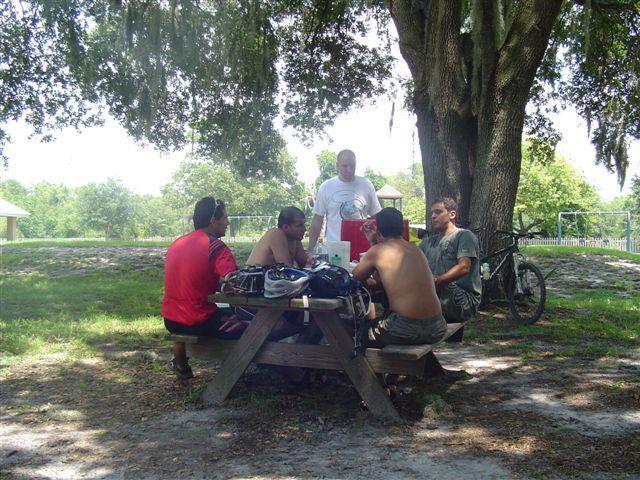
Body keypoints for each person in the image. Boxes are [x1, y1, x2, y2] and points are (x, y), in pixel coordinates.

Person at [162, 196, 243, 380]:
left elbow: (191, 279)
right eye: (225, 218)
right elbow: (236, 282)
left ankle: (181, 365)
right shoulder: (216, 247)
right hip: (198, 321)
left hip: (171, 319)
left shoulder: (177, 244)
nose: (228, 223)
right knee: (250, 325)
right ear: (213, 221)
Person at [352, 207, 447, 348]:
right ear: (402, 228)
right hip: (437, 327)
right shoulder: (416, 250)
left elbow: (355, 279)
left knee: (355, 332)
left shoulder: (377, 251)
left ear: (378, 231)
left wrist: (373, 243)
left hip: (404, 328)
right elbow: (382, 279)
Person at [419, 197, 481, 325]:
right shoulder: (427, 242)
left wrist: (437, 281)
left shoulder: (464, 235)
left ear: (452, 214)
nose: (433, 216)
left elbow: (464, 267)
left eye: (438, 212)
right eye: (431, 213)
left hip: (463, 299)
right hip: (437, 294)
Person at [308, 149, 382, 251]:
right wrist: (310, 250)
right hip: (334, 248)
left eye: (352, 166)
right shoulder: (326, 186)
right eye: (345, 166)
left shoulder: (366, 185)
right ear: (337, 165)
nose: (349, 170)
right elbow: (317, 220)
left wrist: (383, 244)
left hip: (361, 246)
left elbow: (377, 217)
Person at [246, 206, 310, 267]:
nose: (304, 229)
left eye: (303, 224)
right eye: (299, 225)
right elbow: (286, 269)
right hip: (252, 276)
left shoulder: (295, 238)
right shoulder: (276, 234)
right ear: (286, 227)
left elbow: (305, 263)